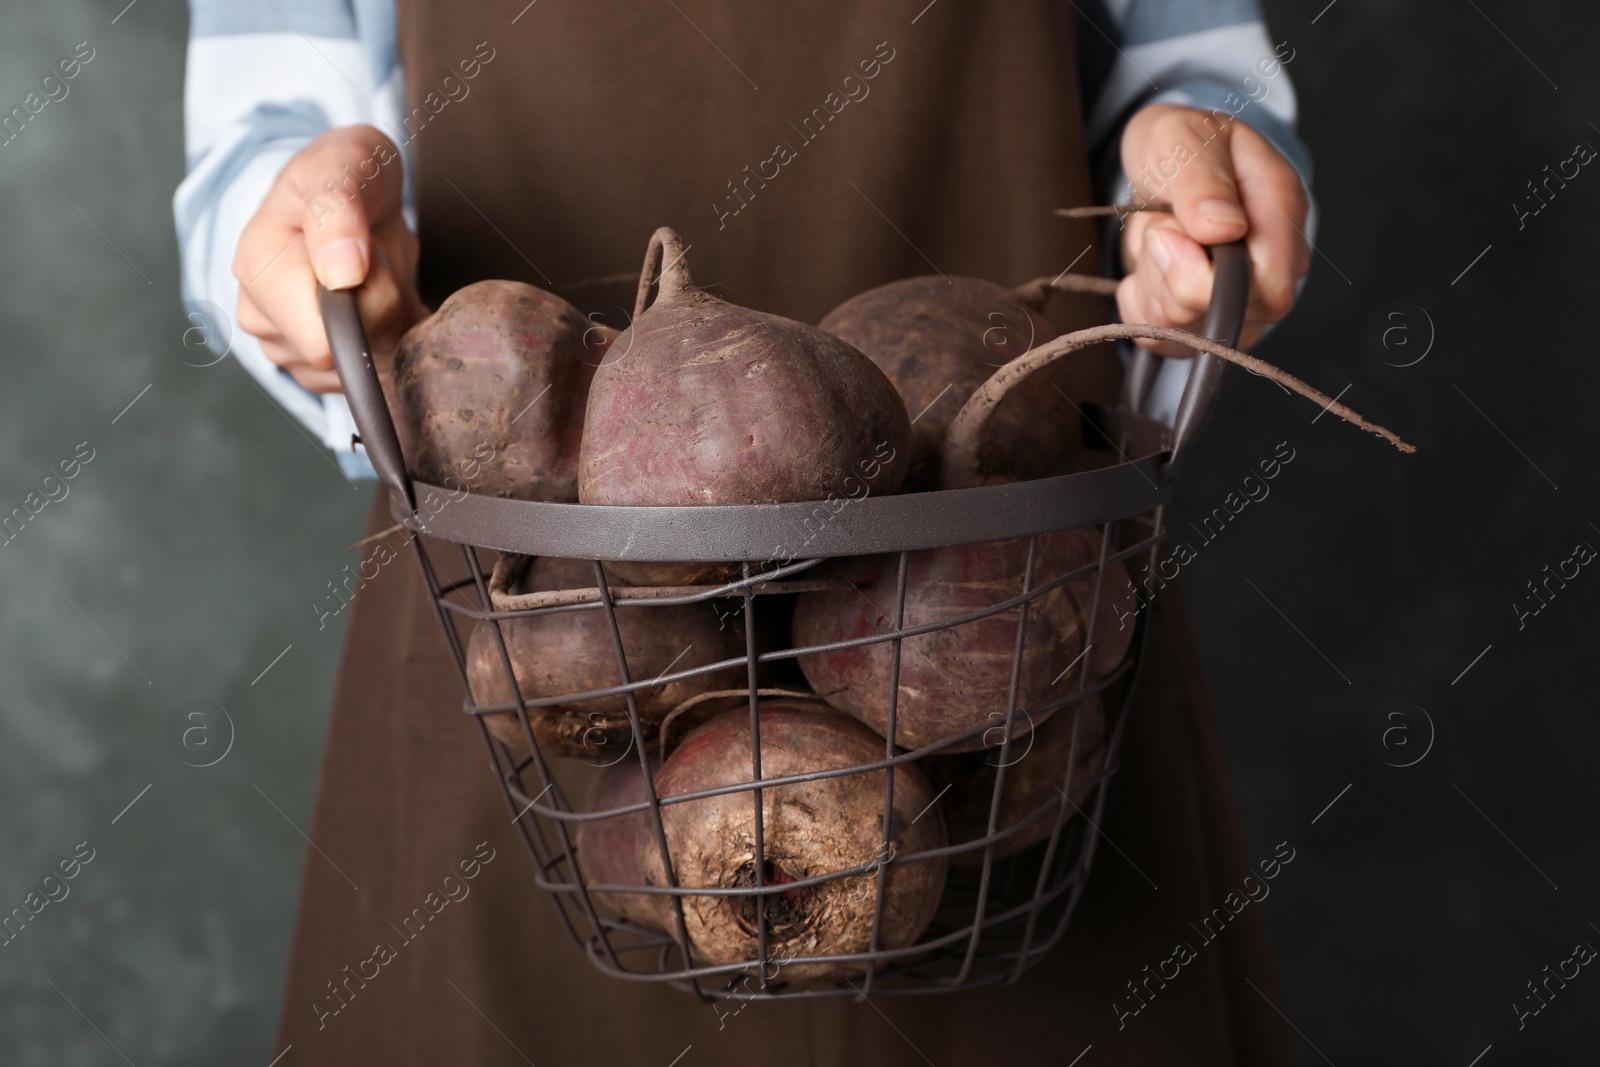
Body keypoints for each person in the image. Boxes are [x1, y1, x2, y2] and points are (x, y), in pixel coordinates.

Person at [176, 2, 1313, 1063]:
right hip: (530, 628)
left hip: (1026, 625)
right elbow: (267, 136)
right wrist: (306, 249)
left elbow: (1192, 70)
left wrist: (1201, 183)